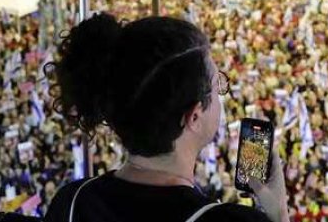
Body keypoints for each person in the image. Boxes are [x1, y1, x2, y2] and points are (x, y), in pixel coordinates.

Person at [43, 14, 289, 222]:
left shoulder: (70, 203)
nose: (222, 92)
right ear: (194, 116)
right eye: (217, 85)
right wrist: (277, 214)